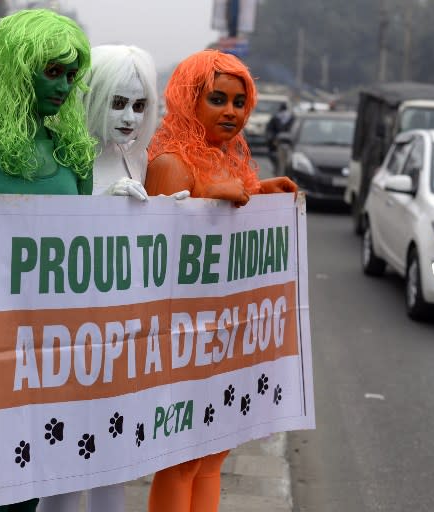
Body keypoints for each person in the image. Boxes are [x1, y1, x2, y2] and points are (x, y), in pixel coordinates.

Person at [0, 9, 95, 511]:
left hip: (54, 347)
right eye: (52, 71)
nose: (65, 86)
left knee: (34, 477)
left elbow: (89, 251)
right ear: (14, 68)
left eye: (72, 75)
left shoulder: (76, 157)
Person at [144, 49, 297, 512]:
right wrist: (205, 196)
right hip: (179, 339)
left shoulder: (232, 161)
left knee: (214, 454)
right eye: (217, 99)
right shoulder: (171, 162)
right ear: (191, 99)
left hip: (224, 338)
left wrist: (261, 194)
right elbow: (156, 254)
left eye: (238, 101)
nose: (231, 111)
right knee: (180, 460)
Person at [37, 44, 161, 512]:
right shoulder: (66, 157)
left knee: (116, 460)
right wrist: (99, 203)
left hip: (124, 337)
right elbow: (46, 235)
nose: (129, 116)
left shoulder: (141, 159)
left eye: (139, 105)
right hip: (72, 334)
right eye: (117, 102)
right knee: (66, 466)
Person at [265, 103, 294, 171]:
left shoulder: (276, 118)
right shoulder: (291, 118)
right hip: (278, 143)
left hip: (285, 144)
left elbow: (269, 130)